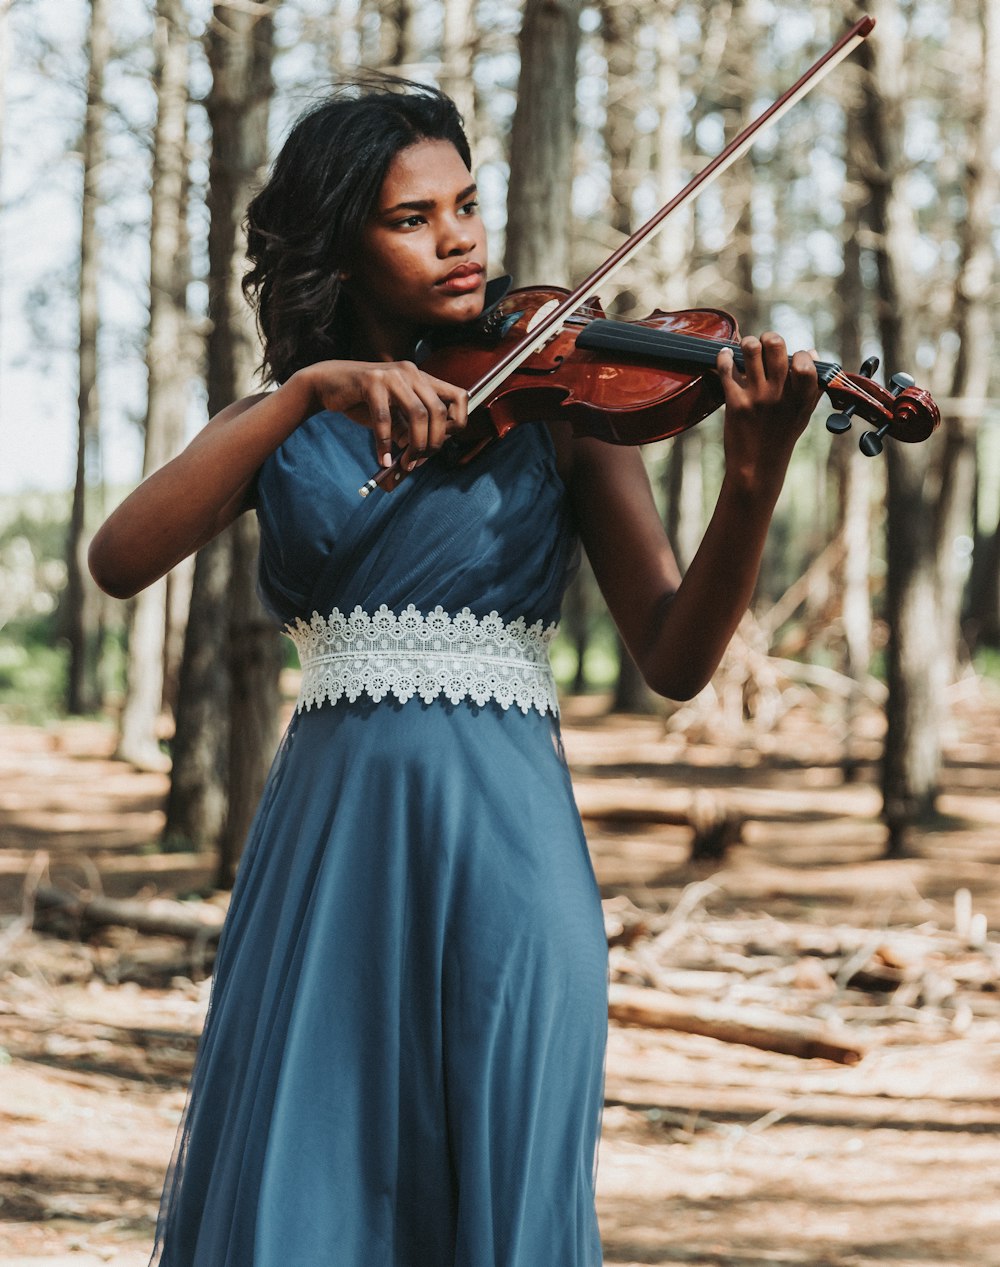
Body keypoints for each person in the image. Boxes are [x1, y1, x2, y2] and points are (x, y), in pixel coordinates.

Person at [89, 79, 820, 1267]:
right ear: (340, 241)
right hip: (331, 859)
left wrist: (752, 475)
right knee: (315, 1183)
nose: (461, 236)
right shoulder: (282, 422)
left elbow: (677, 656)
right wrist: (304, 394)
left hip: (511, 849)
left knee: (507, 1178)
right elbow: (120, 558)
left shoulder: (564, 403)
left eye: (468, 205)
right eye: (412, 217)